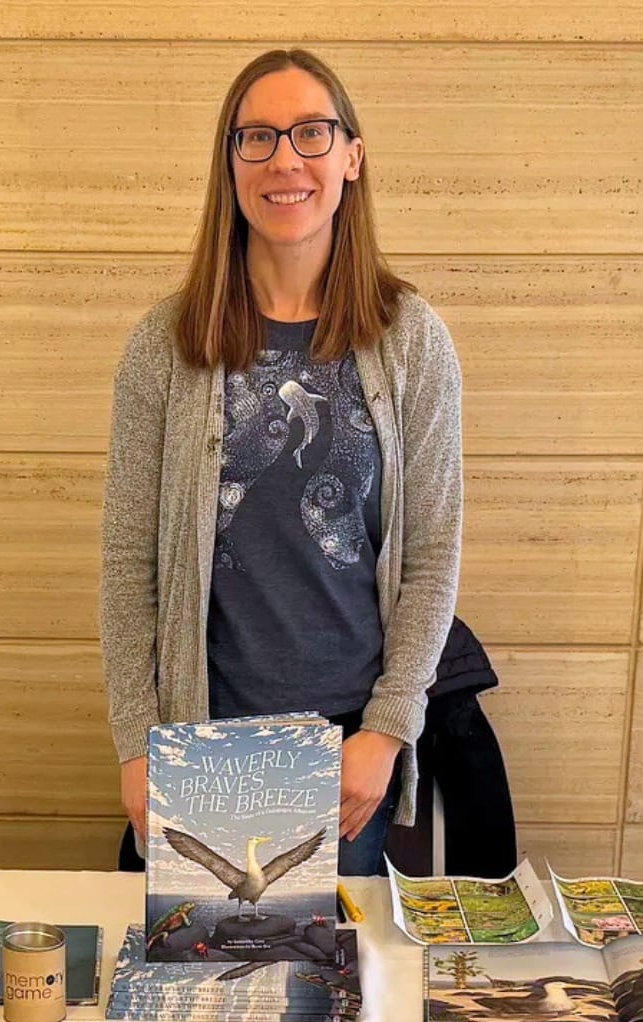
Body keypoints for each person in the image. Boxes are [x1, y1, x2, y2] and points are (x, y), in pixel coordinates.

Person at [99, 47, 464, 876]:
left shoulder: (411, 340)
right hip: (197, 744)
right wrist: (136, 741)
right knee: (196, 954)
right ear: (230, 164)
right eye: (257, 137)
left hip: (344, 756)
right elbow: (127, 562)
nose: (285, 160)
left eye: (311, 133)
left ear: (351, 156)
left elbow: (433, 553)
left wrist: (387, 730)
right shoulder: (167, 344)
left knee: (319, 965)